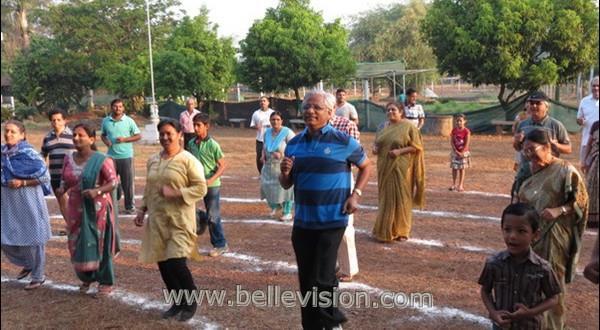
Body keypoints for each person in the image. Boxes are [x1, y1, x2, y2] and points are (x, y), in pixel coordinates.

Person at [279, 90, 371, 329]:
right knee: (307, 278)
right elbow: (287, 184)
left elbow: (366, 166)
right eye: (307, 106)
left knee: (321, 277)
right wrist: (285, 172)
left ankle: (331, 321)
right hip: (303, 222)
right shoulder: (294, 144)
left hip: (332, 220)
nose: (310, 111)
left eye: (317, 107)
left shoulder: (343, 141)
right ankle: (311, 324)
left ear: (330, 113)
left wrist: (355, 194)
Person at [135, 119, 207, 322]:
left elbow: (201, 188)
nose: (165, 137)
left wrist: (176, 192)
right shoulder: (153, 160)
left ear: (180, 135)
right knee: (164, 264)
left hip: (180, 221)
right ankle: (177, 302)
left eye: (169, 133)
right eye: (162, 134)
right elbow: (149, 188)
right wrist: (142, 209)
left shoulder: (188, 160)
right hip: (157, 220)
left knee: (176, 262)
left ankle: (190, 301)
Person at [516, 128, 589, 329]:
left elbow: (581, 200)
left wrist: (560, 209)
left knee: (551, 284)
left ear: (547, 147)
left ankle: (553, 325)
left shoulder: (565, 170)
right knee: (528, 281)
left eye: (532, 149)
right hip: (530, 237)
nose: (528, 153)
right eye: (525, 149)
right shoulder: (526, 170)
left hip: (555, 238)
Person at [55, 123, 120, 296]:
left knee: (99, 243)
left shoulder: (101, 159)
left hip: (97, 209)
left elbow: (113, 182)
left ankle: (105, 281)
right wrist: (62, 189)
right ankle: (86, 277)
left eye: (81, 135)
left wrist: (96, 191)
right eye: (74, 135)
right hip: (75, 208)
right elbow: (65, 179)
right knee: (77, 242)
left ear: (91, 139)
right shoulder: (69, 158)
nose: (76, 138)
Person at [479, 203, 561, 329]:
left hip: (530, 326)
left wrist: (531, 312)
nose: (512, 236)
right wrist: (493, 313)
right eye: (507, 229)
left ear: (535, 235)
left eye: (521, 231)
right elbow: (485, 291)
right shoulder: (493, 264)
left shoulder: (542, 268)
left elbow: (553, 297)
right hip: (501, 326)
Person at [1, 120, 52, 290]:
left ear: (22, 135)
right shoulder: (2, 153)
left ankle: (38, 276)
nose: (8, 134)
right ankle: (29, 263)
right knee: (5, 236)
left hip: (28, 199)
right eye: (6, 131)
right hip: (8, 200)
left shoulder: (30, 154)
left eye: (13, 132)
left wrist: (22, 182)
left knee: (34, 238)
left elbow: (44, 177)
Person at [372, 102, 425, 242]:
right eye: (388, 110)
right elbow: (377, 142)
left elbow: (417, 147)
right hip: (384, 165)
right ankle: (385, 229)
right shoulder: (383, 127)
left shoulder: (408, 127)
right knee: (386, 197)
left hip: (401, 167)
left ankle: (402, 231)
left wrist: (400, 151)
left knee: (401, 197)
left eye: (393, 109)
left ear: (401, 111)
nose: (390, 112)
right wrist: (375, 148)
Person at [512, 91, 571, 199]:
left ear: (547, 107)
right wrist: (516, 141)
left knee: (544, 202)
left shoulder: (556, 125)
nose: (534, 106)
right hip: (527, 170)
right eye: (531, 103)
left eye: (538, 103)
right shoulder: (522, 124)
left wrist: (556, 145)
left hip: (548, 172)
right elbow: (517, 148)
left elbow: (568, 149)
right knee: (522, 201)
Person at [329, 93, 361, 283]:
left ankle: (349, 268)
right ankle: (330, 264)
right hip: (320, 182)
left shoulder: (347, 125)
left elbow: (357, 157)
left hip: (341, 178)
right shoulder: (314, 128)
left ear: (332, 108)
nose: (313, 111)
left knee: (345, 224)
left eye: (319, 108)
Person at [187, 113, 229, 257]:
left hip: (212, 185)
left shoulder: (213, 144)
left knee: (213, 215)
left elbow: (223, 165)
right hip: (196, 183)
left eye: (199, 125)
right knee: (188, 211)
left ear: (207, 126)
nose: (196, 128)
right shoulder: (191, 144)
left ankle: (220, 244)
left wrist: (211, 179)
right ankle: (203, 217)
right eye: (194, 125)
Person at [101, 98, 141, 214]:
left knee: (127, 183)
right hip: (111, 157)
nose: (118, 109)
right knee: (110, 181)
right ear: (111, 107)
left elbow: (138, 136)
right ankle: (112, 205)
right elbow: (103, 135)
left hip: (126, 156)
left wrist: (125, 139)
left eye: (120, 106)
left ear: (123, 108)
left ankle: (129, 206)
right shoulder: (106, 121)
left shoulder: (129, 121)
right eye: (115, 106)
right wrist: (106, 141)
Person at [40, 108, 75, 222]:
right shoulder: (47, 138)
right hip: (55, 176)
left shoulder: (74, 135)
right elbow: (43, 154)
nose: (56, 122)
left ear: (65, 120)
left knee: (75, 201)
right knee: (62, 202)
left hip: (72, 174)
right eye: (53, 120)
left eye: (59, 120)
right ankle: (70, 225)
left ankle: (78, 225)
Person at [260, 111, 295, 221]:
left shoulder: (287, 132)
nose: (275, 121)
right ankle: (275, 206)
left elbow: (295, 148)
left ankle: (287, 212)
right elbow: (264, 146)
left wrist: (282, 155)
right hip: (269, 166)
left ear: (282, 121)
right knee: (266, 186)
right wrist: (263, 155)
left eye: (277, 119)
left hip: (283, 166)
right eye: (273, 119)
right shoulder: (267, 133)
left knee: (285, 190)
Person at [577, 76, 599, 163]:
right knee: (585, 166)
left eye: (598, 85)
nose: (596, 88)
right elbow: (578, 118)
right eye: (594, 85)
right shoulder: (584, 101)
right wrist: (580, 121)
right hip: (586, 142)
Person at [250, 96, 274, 174]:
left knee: (271, 156)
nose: (262, 102)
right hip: (260, 139)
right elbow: (252, 125)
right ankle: (261, 173)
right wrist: (256, 127)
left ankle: (272, 173)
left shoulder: (272, 113)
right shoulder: (256, 113)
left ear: (268, 103)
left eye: (264, 101)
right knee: (259, 157)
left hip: (271, 139)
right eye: (261, 101)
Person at [581, 121, 598, 228]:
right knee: (592, 187)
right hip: (595, 160)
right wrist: (584, 160)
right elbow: (589, 144)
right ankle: (592, 219)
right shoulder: (596, 125)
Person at [449, 114, 471, 192]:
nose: (459, 122)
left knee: (462, 168)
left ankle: (460, 185)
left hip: (463, 152)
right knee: (454, 168)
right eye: (457, 120)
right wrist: (455, 150)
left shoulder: (466, 131)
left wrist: (462, 152)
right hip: (455, 152)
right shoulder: (454, 130)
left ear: (464, 122)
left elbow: (467, 143)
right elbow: (452, 141)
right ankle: (454, 184)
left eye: (460, 121)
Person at [512, 106, 529, 171]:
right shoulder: (520, 115)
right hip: (521, 136)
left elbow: (514, 127)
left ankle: (518, 163)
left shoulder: (520, 115)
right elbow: (514, 126)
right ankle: (518, 164)